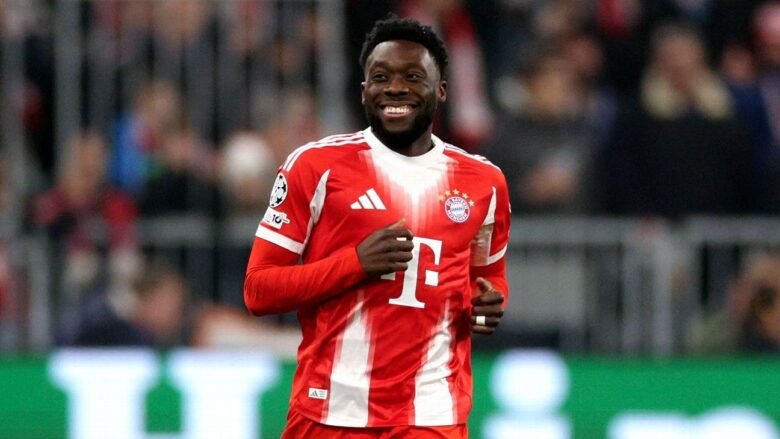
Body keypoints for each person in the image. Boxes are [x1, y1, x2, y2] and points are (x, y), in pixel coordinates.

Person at [244, 16, 511, 438]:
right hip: (329, 409)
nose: (395, 88)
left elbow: (488, 276)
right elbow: (259, 290)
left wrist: (487, 306)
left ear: (441, 89)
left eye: (413, 77)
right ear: (363, 89)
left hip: (430, 413)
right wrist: (355, 263)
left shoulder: (484, 182)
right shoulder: (314, 167)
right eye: (381, 77)